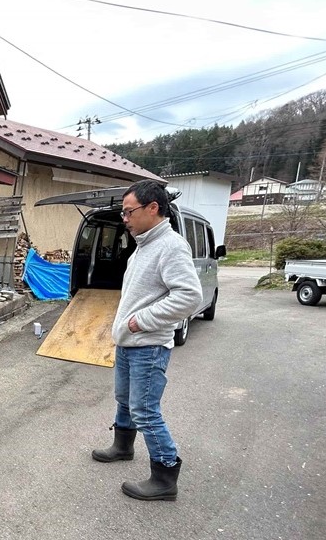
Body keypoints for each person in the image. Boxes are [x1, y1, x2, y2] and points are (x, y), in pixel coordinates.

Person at [91, 179, 202, 502]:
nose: (124, 218)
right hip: (130, 342)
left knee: (145, 410)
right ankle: (123, 447)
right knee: (124, 398)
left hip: (149, 345)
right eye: (123, 213)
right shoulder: (144, 246)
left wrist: (141, 322)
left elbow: (189, 297)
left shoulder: (170, 245)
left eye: (129, 212)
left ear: (153, 208)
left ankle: (165, 475)